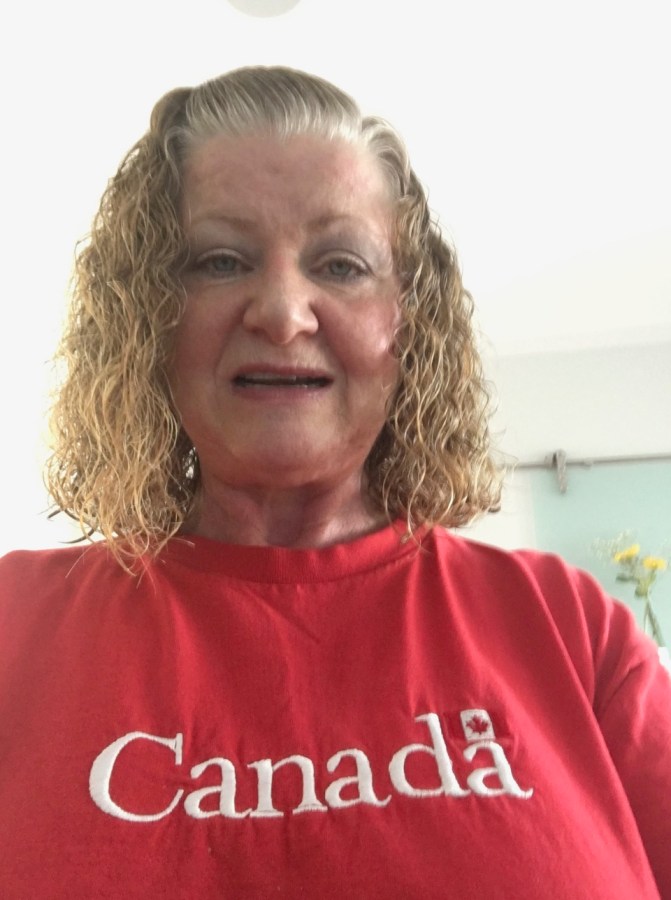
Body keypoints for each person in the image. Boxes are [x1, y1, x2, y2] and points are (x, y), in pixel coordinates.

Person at [0, 66, 669, 900]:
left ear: (407, 320)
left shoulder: (573, 631)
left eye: (341, 264)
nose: (283, 313)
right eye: (219, 261)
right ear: (149, 318)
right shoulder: (13, 625)